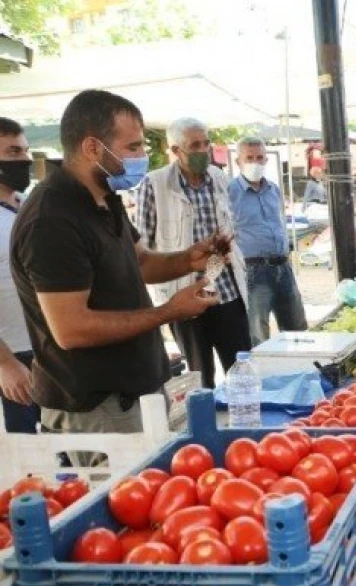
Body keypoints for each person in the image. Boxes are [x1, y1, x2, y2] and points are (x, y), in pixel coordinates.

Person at [9, 90, 220, 453]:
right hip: (97, 409)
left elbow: (140, 262)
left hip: (138, 393)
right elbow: (71, 329)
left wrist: (189, 259)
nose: (143, 157)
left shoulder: (105, 197)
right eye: (133, 147)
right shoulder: (52, 219)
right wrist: (168, 312)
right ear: (93, 148)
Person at [135, 117, 251, 388]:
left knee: (242, 370)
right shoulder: (155, 184)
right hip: (185, 295)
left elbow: (229, 222)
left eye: (206, 144)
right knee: (200, 378)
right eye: (194, 145)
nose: (203, 151)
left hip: (226, 291)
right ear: (175, 150)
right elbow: (144, 246)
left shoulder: (219, 178)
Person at [228, 136, 308, 346]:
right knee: (258, 332)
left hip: (282, 266)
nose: (255, 162)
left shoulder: (273, 190)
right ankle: (263, 376)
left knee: (297, 328)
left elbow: (279, 222)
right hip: (254, 269)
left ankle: (302, 371)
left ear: (266, 160)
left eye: (260, 157)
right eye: (249, 158)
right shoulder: (230, 192)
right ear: (239, 162)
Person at [0, 117, 39, 434]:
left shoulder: (26, 205)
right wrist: (5, 364)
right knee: (27, 457)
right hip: (12, 356)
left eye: (25, 151)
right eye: (13, 152)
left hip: (46, 349)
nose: (24, 160)